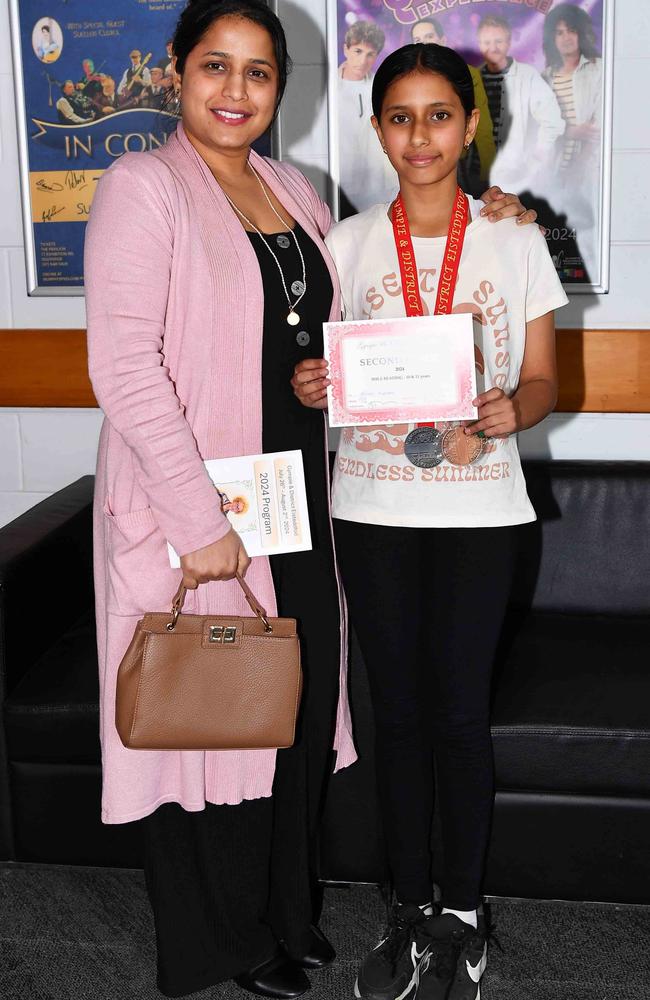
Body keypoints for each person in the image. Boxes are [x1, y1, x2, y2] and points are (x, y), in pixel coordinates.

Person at [85, 2, 357, 996]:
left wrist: (317, 376)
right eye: (215, 67)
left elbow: (300, 331)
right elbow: (124, 363)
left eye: (256, 72)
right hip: (192, 512)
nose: (235, 91)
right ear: (174, 73)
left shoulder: (290, 188)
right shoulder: (142, 185)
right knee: (210, 721)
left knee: (285, 712)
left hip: (288, 500)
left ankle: (286, 914)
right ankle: (225, 944)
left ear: (278, 86)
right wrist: (197, 525)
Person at [292, 41, 567, 1000]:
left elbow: (543, 381)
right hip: (369, 504)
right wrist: (309, 383)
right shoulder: (346, 241)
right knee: (394, 716)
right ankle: (406, 907)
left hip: (483, 512)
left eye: (439, 115)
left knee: (457, 716)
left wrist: (510, 411)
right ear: (378, 130)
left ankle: (462, 912)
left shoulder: (516, 237)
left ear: (468, 124)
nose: (420, 135)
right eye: (400, 117)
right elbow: (320, 371)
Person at [478, 15, 565, 194]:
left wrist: (535, 159)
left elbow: (553, 121)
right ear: (479, 44)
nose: (492, 47)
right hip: (476, 178)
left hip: (516, 179)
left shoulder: (528, 76)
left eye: (498, 41)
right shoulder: (471, 78)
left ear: (509, 42)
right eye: (486, 42)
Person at [411, 17, 496, 197]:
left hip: (458, 167)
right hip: (417, 167)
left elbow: (483, 130)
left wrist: (489, 178)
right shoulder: (406, 81)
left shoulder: (468, 74)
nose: (424, 44)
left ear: (442, 40)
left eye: (429, 36)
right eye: (417, 40)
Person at [337, 20, 394, 214]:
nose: (363, 61)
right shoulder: (327, 89)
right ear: (346, 49)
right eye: (358, 51)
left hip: (376, 190)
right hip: (337, 187)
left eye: (370, 54)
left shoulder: (384, 89)